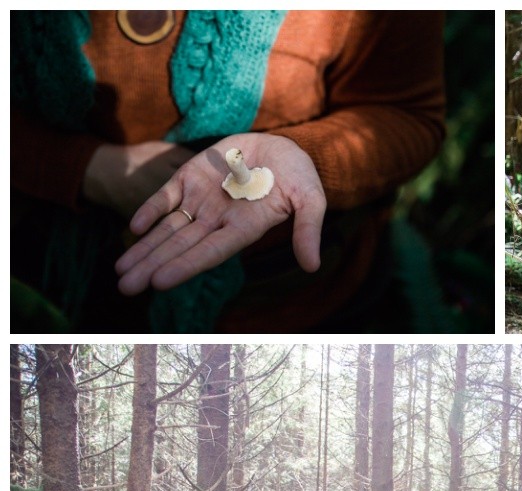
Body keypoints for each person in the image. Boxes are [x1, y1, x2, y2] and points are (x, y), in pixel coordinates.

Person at [11, 11, 445, 334]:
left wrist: (306, 154)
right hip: (52, 278)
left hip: (291, 304)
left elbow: (407, 113)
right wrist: (85, 168)